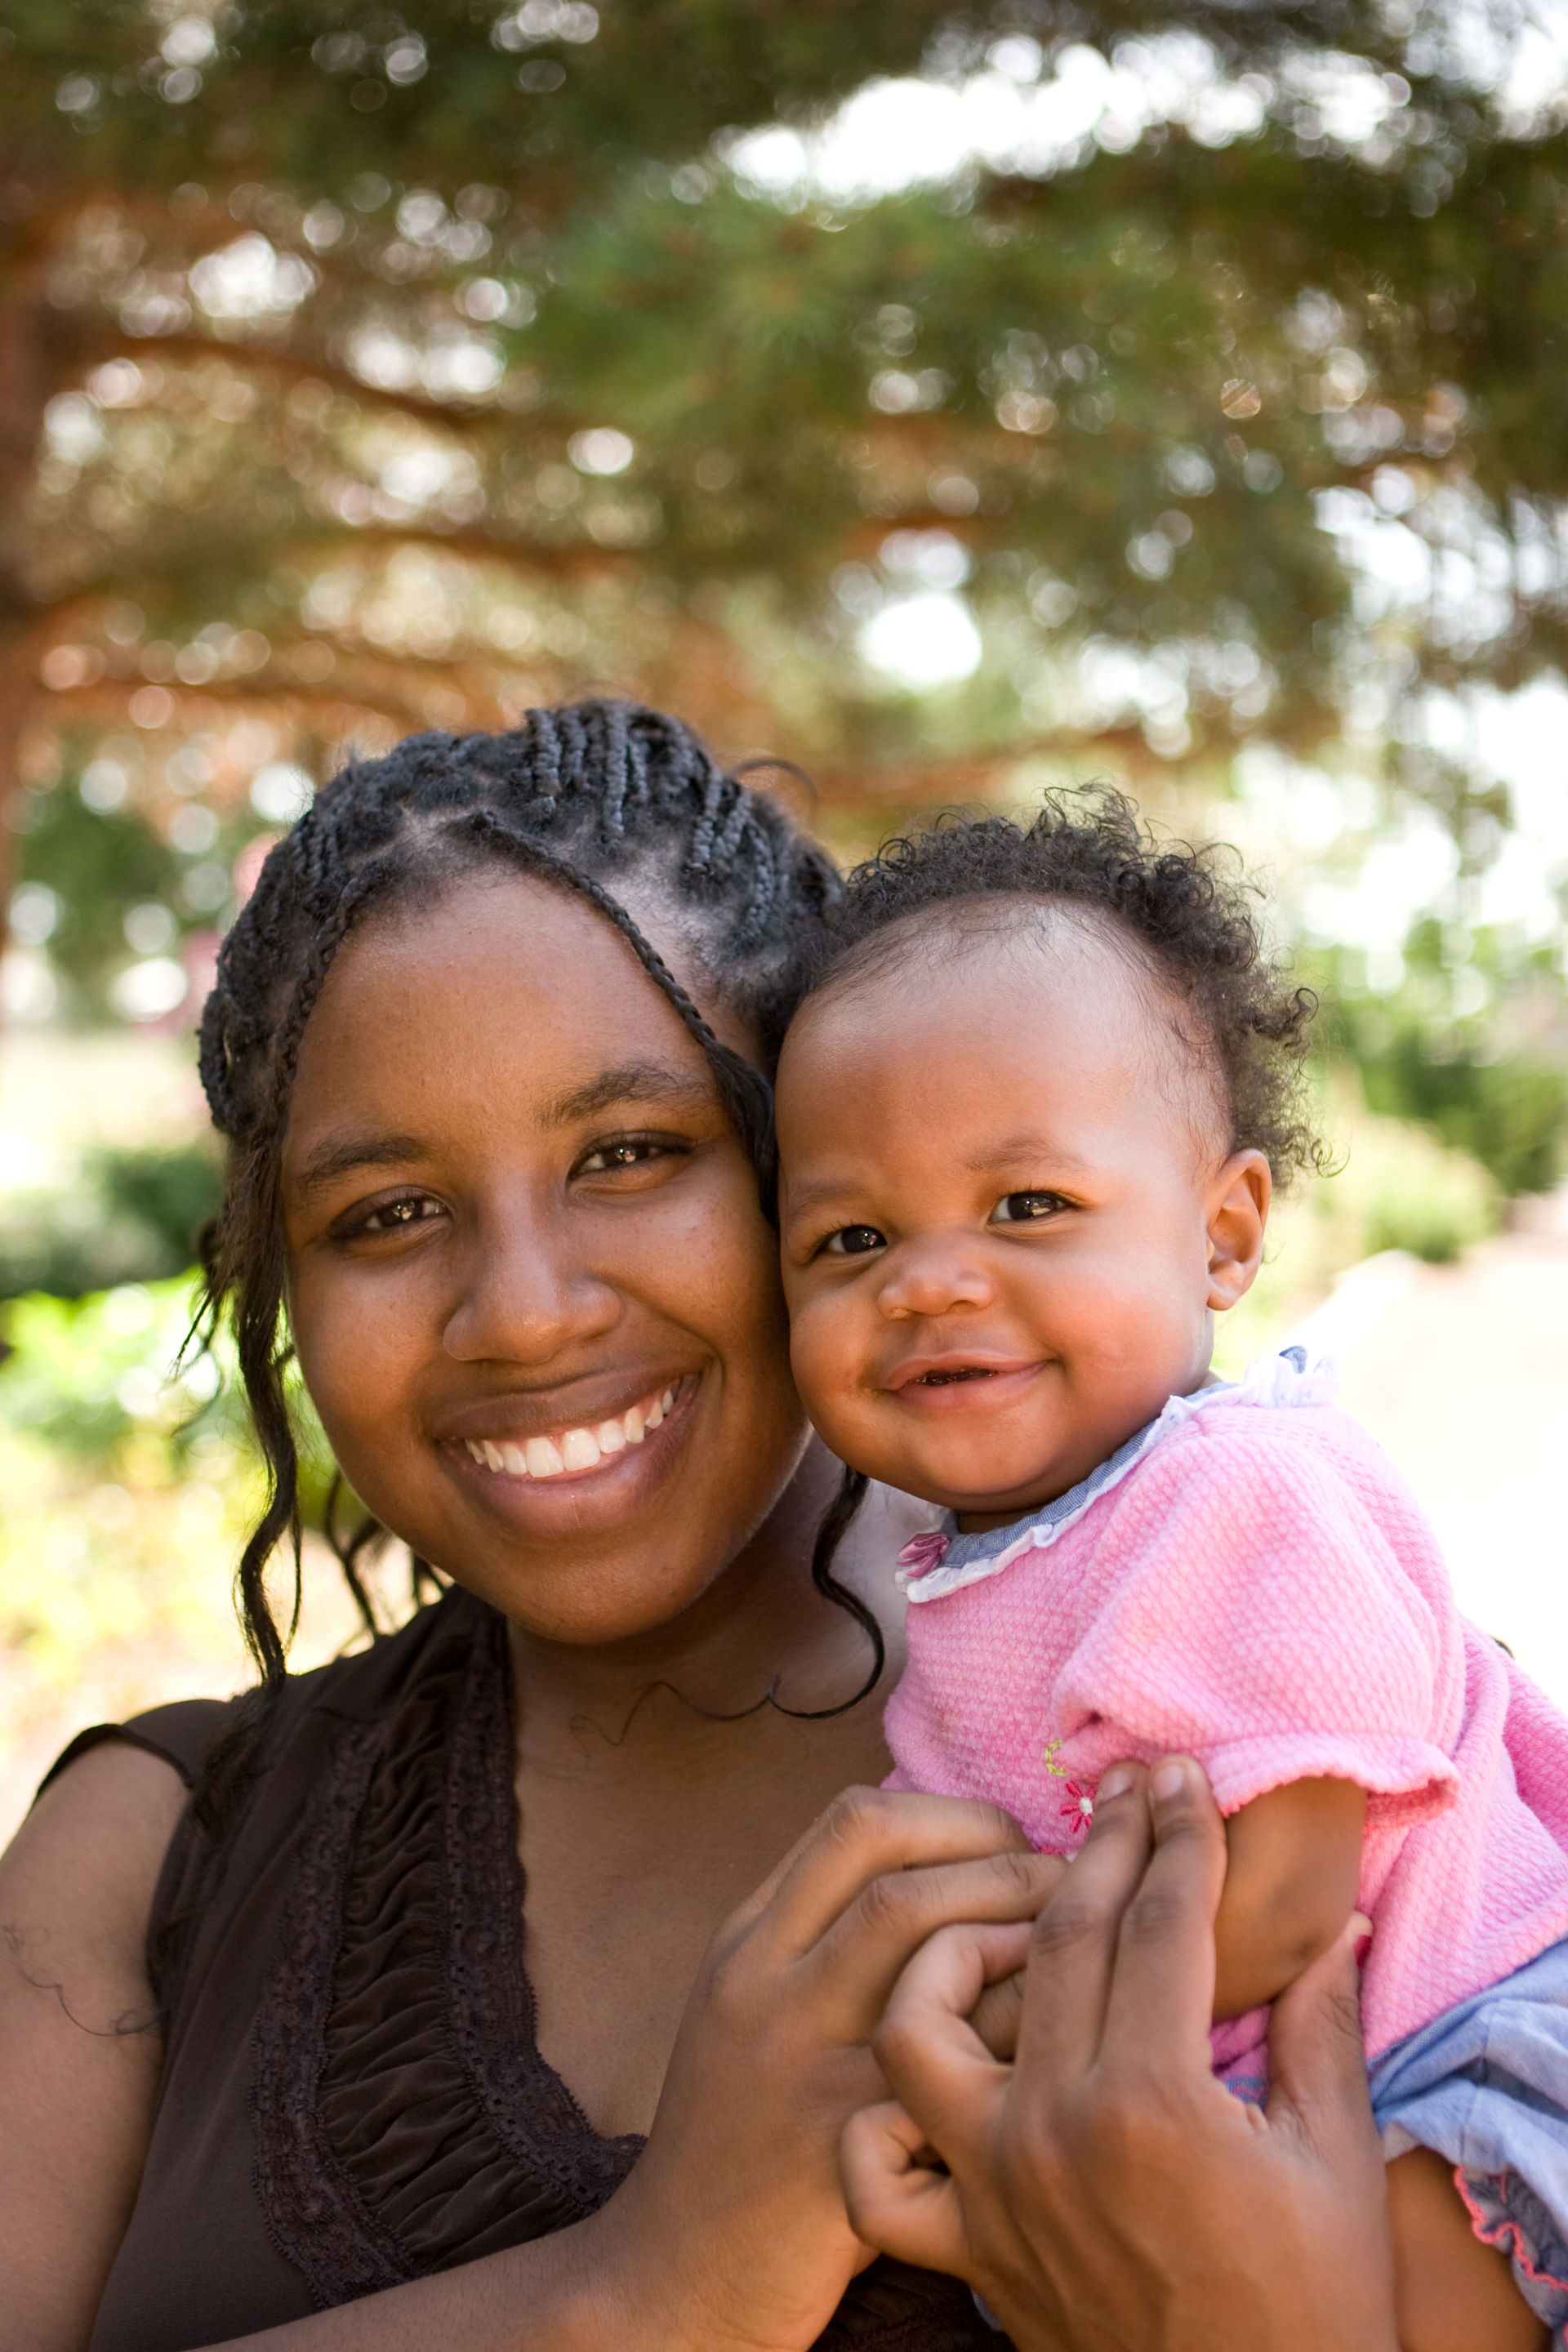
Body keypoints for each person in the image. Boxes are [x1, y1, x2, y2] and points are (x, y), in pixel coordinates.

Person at [0, 706, 1401, 2352]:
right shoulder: (141, 1858)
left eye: (633, 1152)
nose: (521, 1316)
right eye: (385, 1213)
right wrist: (646, 2290)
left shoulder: (1307, 1732)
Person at [773, 795, 1568, 2352]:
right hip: (1174, 2109)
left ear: (1221, 1235)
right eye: (850, 1239)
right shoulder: (965, 1568)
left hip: (1445, 2057)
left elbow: (1277, 1911)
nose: (931, 1278)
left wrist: (943, 2041)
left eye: (1028, 1206)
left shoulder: (1243, 1496)